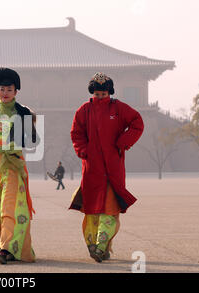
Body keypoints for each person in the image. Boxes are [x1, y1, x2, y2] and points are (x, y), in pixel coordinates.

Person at [69, 72, 144, 262]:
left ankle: (102, 246)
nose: (100, 97)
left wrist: (123, 142)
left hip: (113, 168)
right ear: (92, 92)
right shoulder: (83, 111)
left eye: (104, 94)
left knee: (110, 210)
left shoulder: (119, 109)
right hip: (92, 168)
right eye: (97, 94)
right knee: (92, 210)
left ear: (109, 92)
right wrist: (83, 151)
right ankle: (92, 245)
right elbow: (76, 134)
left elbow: (137, 123)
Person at [0, 68, 38, 264]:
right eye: (2, 89)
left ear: (16, 92)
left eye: (9, 89)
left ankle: (6, 248)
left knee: (10, 205)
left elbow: (32, 141)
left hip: (13, 164)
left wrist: (32, 122)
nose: (5, 93)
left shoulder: (23, 112)